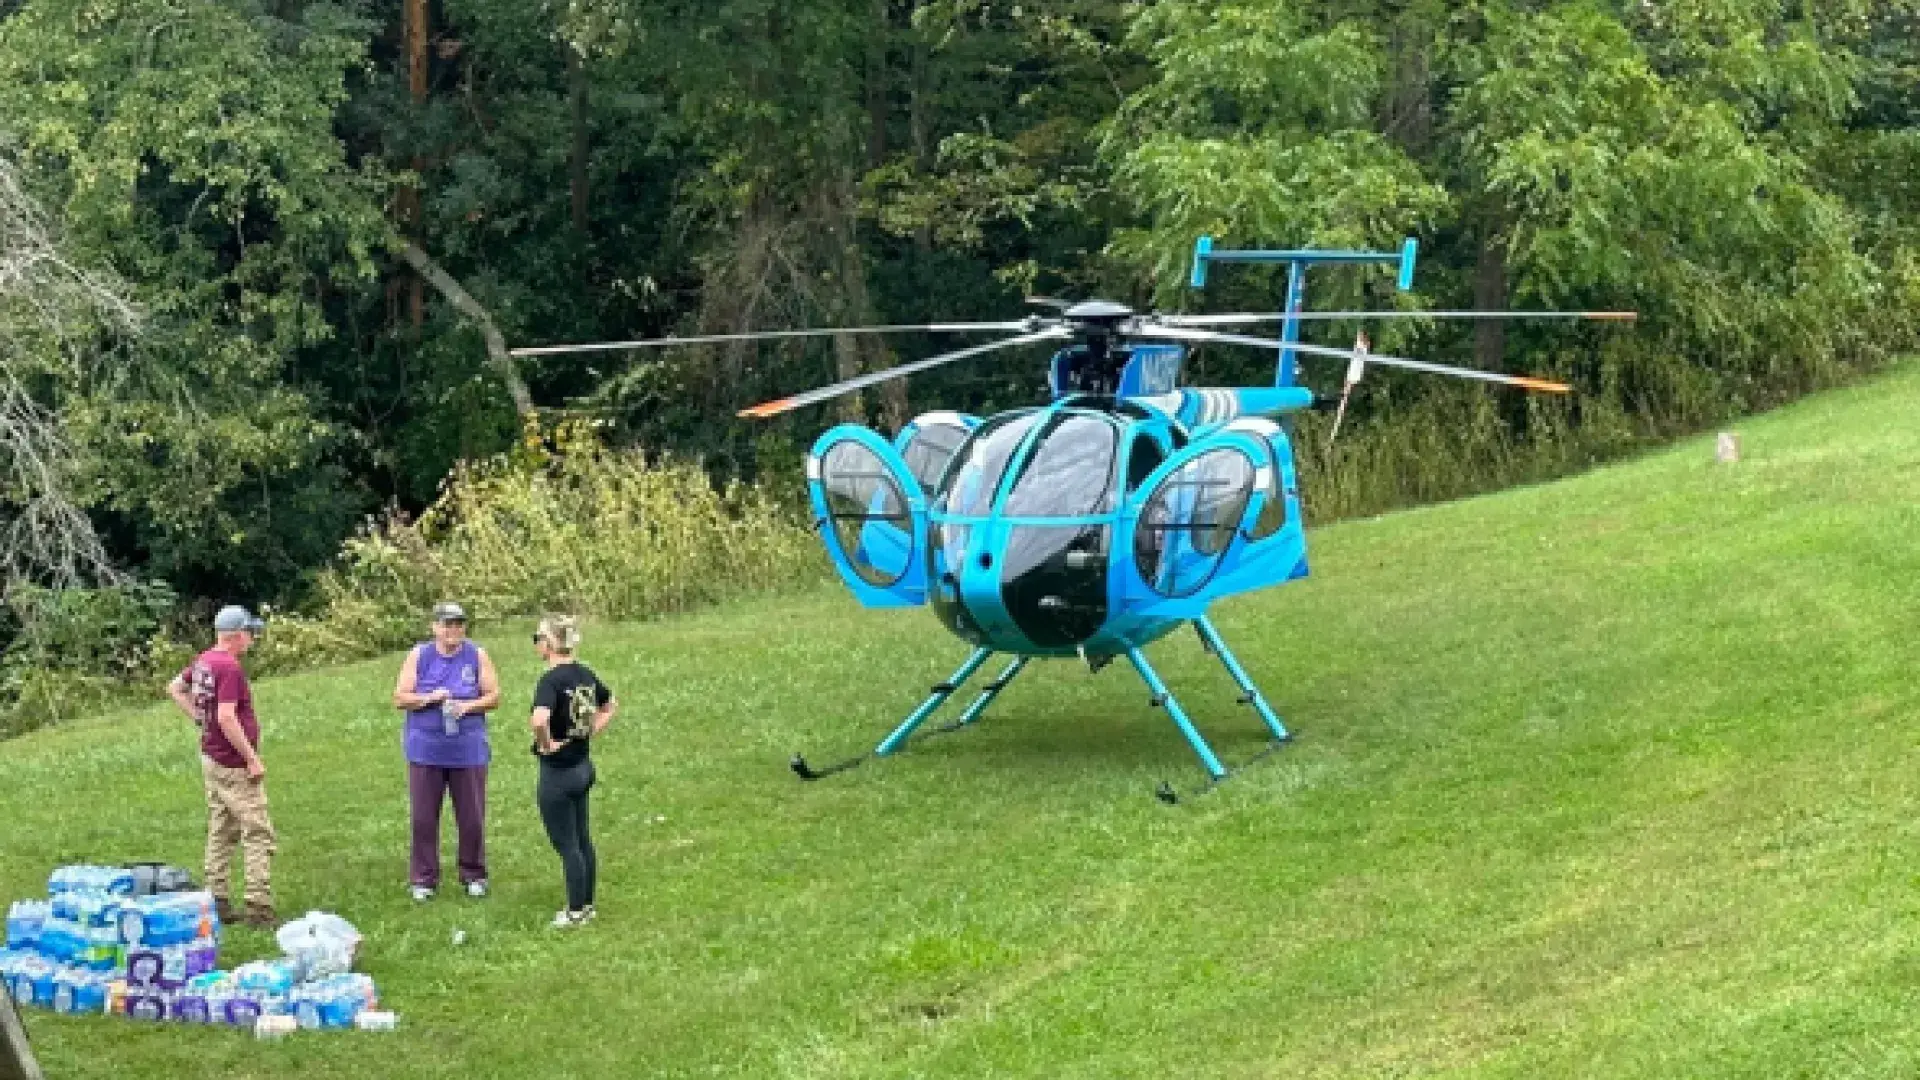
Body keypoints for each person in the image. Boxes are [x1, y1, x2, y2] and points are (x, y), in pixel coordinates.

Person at [166, 605, 275, 928]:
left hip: (210, 757)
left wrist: (200, 718)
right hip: (231, 762)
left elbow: (175, 688)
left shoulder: (204, 661)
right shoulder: (228, 667)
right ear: (237, 635)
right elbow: (227, 716)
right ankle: (259, 907)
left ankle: (217, 899)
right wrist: (251, 759)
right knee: (257, 831)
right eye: (250, 634)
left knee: (221, 827)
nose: (252, 640)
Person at [391, 601, 501, 901]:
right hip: (426, 749)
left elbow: (493, 696)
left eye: (458, 624)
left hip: (467, 749)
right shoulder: (419, 655)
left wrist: (468, 706)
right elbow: (400, 698)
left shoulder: (477, 655)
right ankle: (424, 878)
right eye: (447, 624)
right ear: (434, 627)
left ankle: (473, 873)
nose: (453, 630)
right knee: (424, 817)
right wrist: (429, 698)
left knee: (472, 816)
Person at [528, 615, 617, 929]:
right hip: (583, 766)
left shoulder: (550, 681)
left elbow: (539, 719)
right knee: (582, 839)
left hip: (558, 774)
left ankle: (575, 911)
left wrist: (547, 744)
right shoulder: (584, 674)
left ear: (549, 644)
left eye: (537, 638)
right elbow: (610, 705)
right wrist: (591, 731)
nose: (536, 644)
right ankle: (588, 904)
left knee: (567, 845)